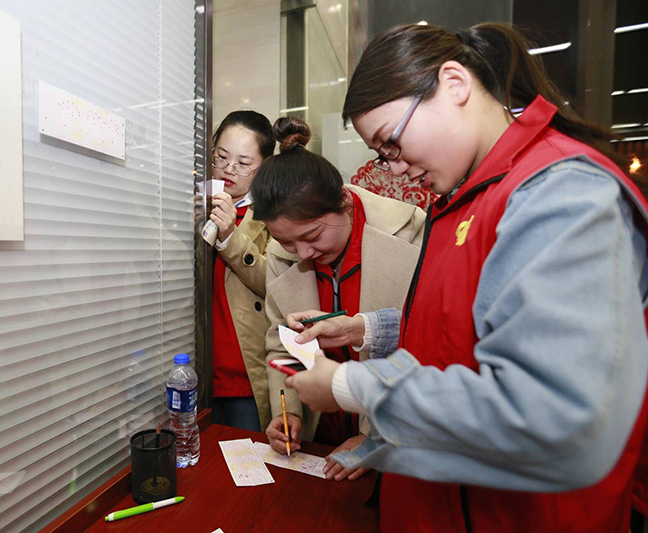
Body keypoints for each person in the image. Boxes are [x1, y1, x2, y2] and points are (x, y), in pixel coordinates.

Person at [282, 22, 648, 532]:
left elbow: (554, 417)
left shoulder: (560, 195)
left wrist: (352, 385)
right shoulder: (464, 197)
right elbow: (463, 325)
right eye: (382, 155)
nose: (395, 169)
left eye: (392, 143)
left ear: (454, 83)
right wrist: (365, 329)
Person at [250, 116, 426, 480]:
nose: (303, 253)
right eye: (285, 241)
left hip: (400, 435)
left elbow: (426, 345)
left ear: (345, 202)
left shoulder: (412, 233)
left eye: (313, 235)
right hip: (324, 434)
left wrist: (373, 435)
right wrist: (288, 411)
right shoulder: (284, 257)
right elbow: (283, 344)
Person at [207, 110, 276, 432]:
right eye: (221, 157)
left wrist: (229, 237)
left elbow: (275, 284)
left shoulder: (273, 213)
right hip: (194, 365)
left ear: (264, 166)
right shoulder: (194, 203)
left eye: (244, 163)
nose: (229, 169)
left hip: (242, 372)